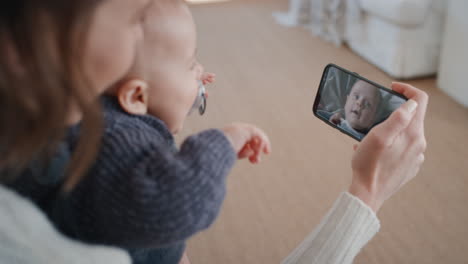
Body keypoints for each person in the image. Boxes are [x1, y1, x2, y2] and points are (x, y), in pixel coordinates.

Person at [0, 0, 428, 264]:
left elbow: (140, 122)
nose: (139, 28)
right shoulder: (101, 145)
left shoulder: (60, 122)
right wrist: (369, 189)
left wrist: (177, 93)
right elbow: (171, 195)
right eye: (133, 16)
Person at [10, 2, 271, 264]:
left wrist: (184, 92)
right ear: (135, 95)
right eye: (133, 21)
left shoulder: (87, 106)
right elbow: (178, 203)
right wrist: (222, 143)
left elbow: (154, 110)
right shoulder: (112, 139)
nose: (199, 71)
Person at [317, 80, 382, 140]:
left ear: (373, 119)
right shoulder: (336, 118)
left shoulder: (366, 141)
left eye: (367, 104)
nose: (359, 103)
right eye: (356, 97)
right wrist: (331, 123)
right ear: (347, 100)